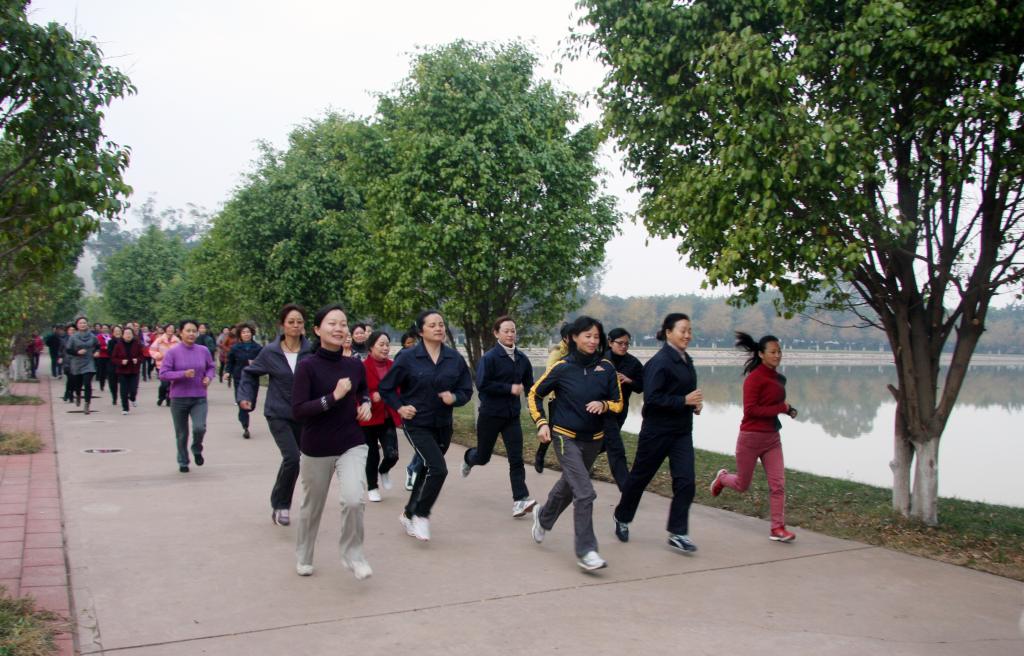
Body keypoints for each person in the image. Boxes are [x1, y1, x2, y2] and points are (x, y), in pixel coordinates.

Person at [527, 316, 622, 571]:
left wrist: (604, 405)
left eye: (596, 336)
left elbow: (618, 403)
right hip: (563, 436)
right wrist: (541, 423)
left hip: (593, 440)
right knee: (585, 492)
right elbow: (534, 394)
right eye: (587, 336)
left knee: (569, 486)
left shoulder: (607, 368)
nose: (592, 341)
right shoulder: (562, 368)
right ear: (574, 338)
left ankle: (543, 517)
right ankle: (586, 551)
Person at [290, 304, 373, 579]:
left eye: (343, 323)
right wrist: (333, 397)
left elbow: (362, 390)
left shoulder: (354, 365)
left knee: (353, 500)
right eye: (332, 323)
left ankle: (353, 555)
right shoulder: (307, 367)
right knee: (312, 507)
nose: (339, 328)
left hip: (351, 442)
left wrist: (365, 404)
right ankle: (304, 555)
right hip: (316, 447)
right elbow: (298, 410)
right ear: (317, 329)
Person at [612, 313, 704, 555]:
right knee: (639, 478)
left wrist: (694, 405)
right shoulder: (659, 362)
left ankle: (678, 533)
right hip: (657, 432)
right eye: (683, 330)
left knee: (686, 481)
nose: (687, 335)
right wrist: (683, 400)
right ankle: (622, 516)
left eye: (690, 330)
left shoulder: (687, 360)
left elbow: (686, 392)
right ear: (668, 332)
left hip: (681, 433)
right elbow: (652, 400)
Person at [380, 310, 472, 542]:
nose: (439, 328)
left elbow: (466, 389)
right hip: (417, 423)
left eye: (441, 324)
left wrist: (455, 398)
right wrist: (400, 408)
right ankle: (422, 514)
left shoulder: (454, 358)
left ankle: (408, 514)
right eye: (432, 325)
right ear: (421, 331)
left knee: (425, 469)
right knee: (438, 469)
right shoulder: (408, 357)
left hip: (443, 425)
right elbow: (386, 388)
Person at [709, 332, 798, 542]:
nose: (777, 355)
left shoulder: (779, 378)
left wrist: (788, 410)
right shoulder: (753, 379)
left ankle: (777, 528)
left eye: (779, 351)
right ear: (761, 354)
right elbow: (751, 411)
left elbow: (773, 405)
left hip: (772, 439)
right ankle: (722, 478)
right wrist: (782, 408)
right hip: (750, 438)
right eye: (773, 352)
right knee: (742, 485)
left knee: (778, 485)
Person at [239, 304, 314, 527]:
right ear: (282, 325)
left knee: (296, 460)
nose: (295, 325)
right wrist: (246, 397)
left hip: (303, 414)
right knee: (292, 457)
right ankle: (281, 505)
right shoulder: (270, 352)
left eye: (299, 322)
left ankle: (279, 498)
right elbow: (250, 374)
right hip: (278, 413)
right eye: (291, 322)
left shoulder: (311, 351)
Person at [462, 315, 536, 517]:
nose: (511, 334)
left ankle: (520, 500)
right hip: (491, 415)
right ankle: (469, 458)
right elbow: (482, 384)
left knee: (516, 458)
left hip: (512, 416)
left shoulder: (522, 359)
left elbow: (530, 386)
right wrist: (509, 388)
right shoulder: (490, 358)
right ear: (497, 333)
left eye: (513, 331)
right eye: (506, 331)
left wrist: (538, 401)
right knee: (483, 457)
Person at [159, 320, 215, 473]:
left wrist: (208, 377)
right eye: (188, 331)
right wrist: (182, 374)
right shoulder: (173, 352)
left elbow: (211, 367)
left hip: (199, 397)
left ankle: (197, 447)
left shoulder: (203, 350)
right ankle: (183, 461)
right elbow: (163, 374)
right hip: (179, 399)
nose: (191, 334)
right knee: (182, 433)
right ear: (181, 333)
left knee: (199, 428)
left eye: (194, 331)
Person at [359, 331, 402, 503]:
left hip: (387, 416)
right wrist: (371, 397)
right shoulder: (362, 367)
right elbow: (357, 391)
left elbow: (399, 388)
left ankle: (384, 470)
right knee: (372, 455)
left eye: (387, 344)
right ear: (371, 347)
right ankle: (372, 487)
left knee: (392, 454)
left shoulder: (393, 366)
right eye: (381, 344)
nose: (385, 348)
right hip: (368, 418)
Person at [601, 328, 645, 491]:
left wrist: (629, 380)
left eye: (627, 344)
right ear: (610, 342)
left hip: (620, 410)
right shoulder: (600, 359)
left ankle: (578, 464)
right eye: (620, 343)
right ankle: (627, 490)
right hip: (600, 409)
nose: (624, 347)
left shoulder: (633, 363)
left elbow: (641, 386)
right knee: (615, 447)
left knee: (604, 444)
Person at [533, 322, 571, 474]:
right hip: (556, 398)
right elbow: (550, 374)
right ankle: (540, 455)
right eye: (573, 336)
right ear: (565, 338)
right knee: (553, 428)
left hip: (575, 398)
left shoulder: (580, 350)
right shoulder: (557, 352)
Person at [228, 323, 262, 439]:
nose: (246, 334)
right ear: (240, 335)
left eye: (248, 332)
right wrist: (228, 372)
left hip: (253, 378)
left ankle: (245, 413)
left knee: (251, 404)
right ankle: (245, 426)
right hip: (239, 378)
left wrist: (257, 365)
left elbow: (264, 361)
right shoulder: (235, 348)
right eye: (243, 332)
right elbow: (230, 362)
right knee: (242, 402)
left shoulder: (258, 348)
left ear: (252, 333)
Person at [398, 327, 421, 491]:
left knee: (433, 446)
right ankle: (413, 470)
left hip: (431, 410)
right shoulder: (402, 358)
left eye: (414, 342)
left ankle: (415, 470)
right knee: (423, 446)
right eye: (408, 343)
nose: (412, 345)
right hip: (411, 410)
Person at [66, 316, 100, 414]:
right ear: (77, 325)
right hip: (77, 363)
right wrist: (77, 352)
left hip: (89, 362)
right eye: (80, 323)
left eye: (84, 323)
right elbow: (68, 350)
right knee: (78, 384)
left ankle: (87, 404)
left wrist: (97, 352)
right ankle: (78, 395)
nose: (83, 325)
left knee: (87, 383)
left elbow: (97, 346)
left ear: (87, 324)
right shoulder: (73, 337)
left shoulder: (92, 336)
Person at [111, 327, 143, 415]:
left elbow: (142, 356)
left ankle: (132, 398)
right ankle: (125, 408)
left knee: (133, 389)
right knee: (123, 391)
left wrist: (137, 360)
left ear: (133, 335)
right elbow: (113, 358)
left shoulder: (137, 344)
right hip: (122, 371)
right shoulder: (118, 345)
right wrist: (121, 361)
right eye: (126, 333)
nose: (128, 335)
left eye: (130, 333)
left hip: (134, 370)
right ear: (123, 335)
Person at [150, 323, 180, 406]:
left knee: (171, 384)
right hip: (161, 365)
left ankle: (169, 399)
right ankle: (161, 397)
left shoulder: (177, 341)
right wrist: (158, 355)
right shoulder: (159, 340)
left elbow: (181, 352)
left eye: (172, 328)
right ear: (165, 329)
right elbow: (152, 350)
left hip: (173, 366)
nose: (170, 330)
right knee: (164, 384)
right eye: (168, 328)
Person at [105, 325, 123, 405]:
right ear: (112, 333)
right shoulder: (110, 342)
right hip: (113, 364)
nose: (117, 332)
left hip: (123, 364)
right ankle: (114, 397)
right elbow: (109, 353)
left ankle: (123, 397)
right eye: (115, 331)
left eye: (119, 331)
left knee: (123, 382)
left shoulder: (125, 341)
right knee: (112, 383)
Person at [94, 324, 112, 393]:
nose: (105, 329)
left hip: (109, 356)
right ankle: (102, 385)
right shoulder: (98, 337)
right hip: (101, 356)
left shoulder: (110, 336)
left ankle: (111, 385)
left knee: (110, 371)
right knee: (102, 372)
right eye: (103, 328)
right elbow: (96, 346)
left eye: (106, 328)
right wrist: (104, 348)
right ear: (101, 329)